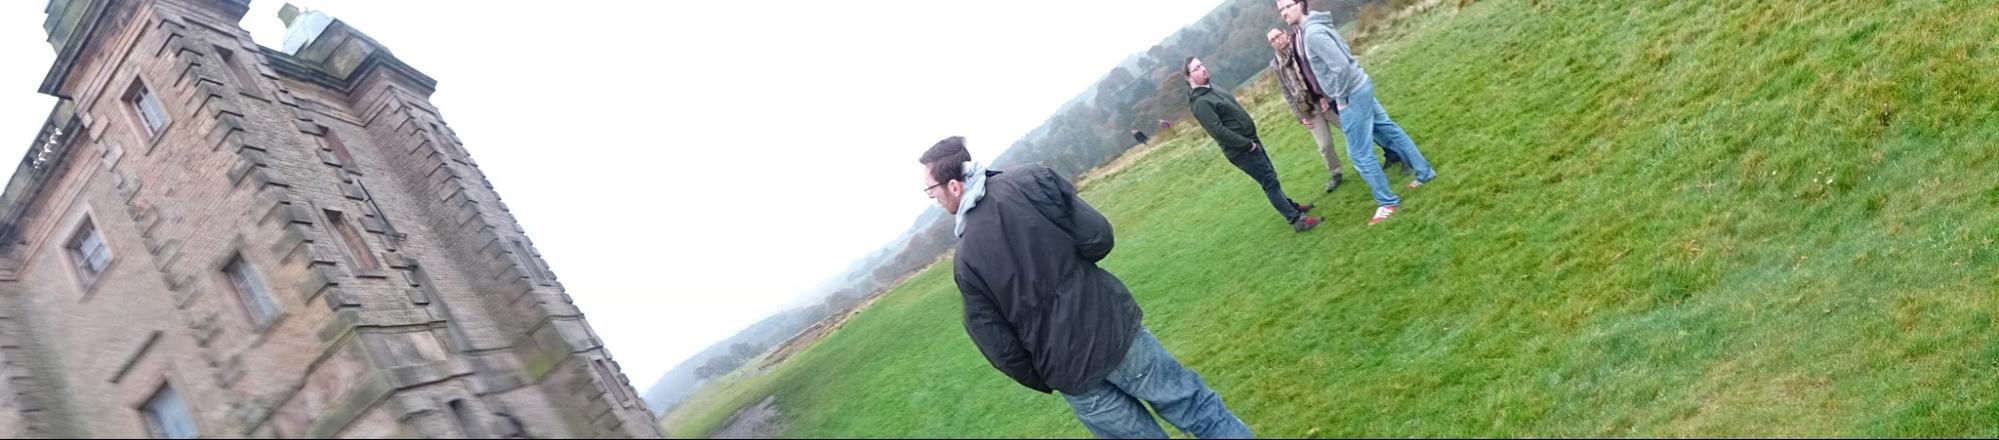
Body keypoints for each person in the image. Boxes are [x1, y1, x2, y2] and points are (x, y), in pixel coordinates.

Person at [918, 136, 1254, 439]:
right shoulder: (1031, 180)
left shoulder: (966, 261)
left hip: (1069, 371)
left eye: (931, 190)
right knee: (1196, 409)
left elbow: (999, 346)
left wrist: (1045, 376)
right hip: (1111, 328)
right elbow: (1097, 238)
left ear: (955, 186)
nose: (932, 198)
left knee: (1188, 413)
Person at [1281, 0, 1439, 225]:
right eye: (1281, 10)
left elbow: (1341, 68)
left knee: (1359, 154)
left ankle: (1387, 202)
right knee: (1390, 131)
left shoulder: (1313, 33)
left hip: (1351, 93)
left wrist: (1341, 97)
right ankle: (1425, 173)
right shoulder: (1316, 25)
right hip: (1361, 85)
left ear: (1301, 4)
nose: (1284, 12)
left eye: (1288, 6)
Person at [1185, 57, 1322, 232]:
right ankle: (1297, 221)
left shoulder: (1212, 88)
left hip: (1251, 142)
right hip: (1242, 151)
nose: (1202, 69)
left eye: (1201, 65)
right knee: (1269, 184)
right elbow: (1218, 132)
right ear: (1189, 78)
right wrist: (1247, 145)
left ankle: (1292, 207)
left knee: (1271, 177)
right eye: (1196, 68)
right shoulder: (1200, 104)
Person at [1267, 28, 1407, 193]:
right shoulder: (1277, 65)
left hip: (1327, 99)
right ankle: (1336, 173)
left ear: (1285, 33)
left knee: (1358, 129)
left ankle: (1392, 152)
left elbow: (1317, 73)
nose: (1277, 41)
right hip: (1308, 108)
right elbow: (1287, 92)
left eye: (1278, 36)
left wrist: (1325, 96)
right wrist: (1299, 116)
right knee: (1324, 145)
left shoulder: (1301, 46)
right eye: (1272, 40)